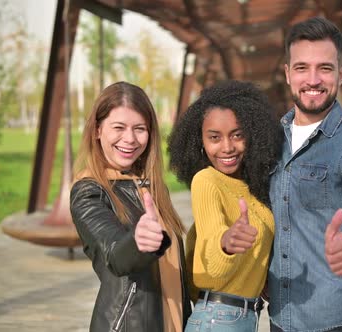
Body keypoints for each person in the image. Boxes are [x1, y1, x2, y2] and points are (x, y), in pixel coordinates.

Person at [268, 17, 342, 331]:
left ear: (341, 74)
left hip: (339, 320)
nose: (313, 79)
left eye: (325, 68)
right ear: (287, 74)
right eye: (302, 67)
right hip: (282, 318)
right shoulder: (270, 139)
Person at [70, 81, 191, 332]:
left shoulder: (150, 187)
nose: (130, 139)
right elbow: (115, 255)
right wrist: (138, 242)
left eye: (139, 128)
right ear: (97, 130)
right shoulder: (89, 191)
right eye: (119, 127)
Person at [167, 80, 282, 332]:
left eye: (237, 135)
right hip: (217, 319)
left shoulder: (254, 187)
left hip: (245, 318)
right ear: (200, 141)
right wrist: (225, 244)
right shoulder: (206, 181)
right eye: (214, 137)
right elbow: (211, 267)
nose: (227, 147)